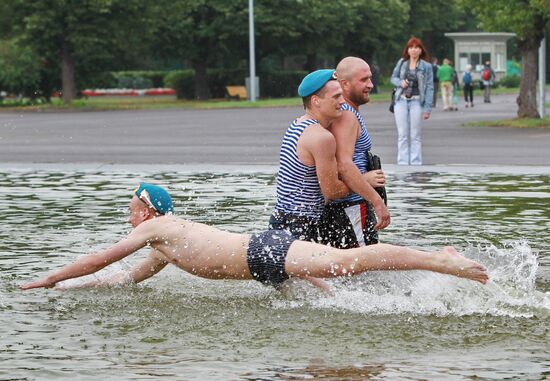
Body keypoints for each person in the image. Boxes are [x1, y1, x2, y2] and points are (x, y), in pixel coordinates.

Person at [20, 183, 489, 292]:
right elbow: (122, 279)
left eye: (130, 206)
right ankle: (331, 296)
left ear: (144, 207)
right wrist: (68, 288)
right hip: (264, 265)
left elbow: (103, 258)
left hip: (263, 250)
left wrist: (47, 278)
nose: (128, 214)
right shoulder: (161, 247)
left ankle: (438, 258)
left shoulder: (155, 228)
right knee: (327, 279)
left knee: (349, 262)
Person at [269, 69, 378, 241]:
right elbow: (332, 192)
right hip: (301, 226)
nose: (342, 101)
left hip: (280, 220)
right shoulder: (322, 138)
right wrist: (365, 180)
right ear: (315, 101)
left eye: (342, 95)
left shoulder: (297, 124)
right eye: (336, 97)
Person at [319, 56, 390, 249]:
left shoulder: (345, 112)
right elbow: (343, 164)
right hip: (351, 206)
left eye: (370, 78)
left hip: (350, 206)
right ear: (344, 84)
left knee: (351, 268)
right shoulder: (347, 116)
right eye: (363, 80)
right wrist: (377, 201)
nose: (370, 84)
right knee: (365, 266)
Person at [390, 36, 434, 166]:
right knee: (402, 135)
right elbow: (393, 78)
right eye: (411, 47)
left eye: (416, 47)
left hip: (417, 102)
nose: (414, 50)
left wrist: (427, 109)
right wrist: (400, 82)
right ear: (407, 50)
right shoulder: (402, 63)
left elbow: (430, 87)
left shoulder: (426, 66)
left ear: (421, 50)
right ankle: (402, 163)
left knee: (415, 135)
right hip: (401, 101)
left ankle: (416, 164)